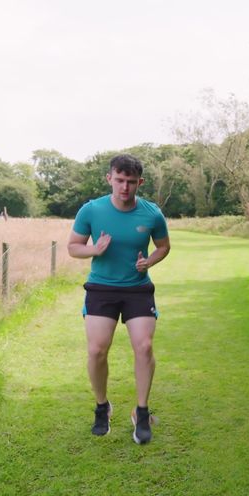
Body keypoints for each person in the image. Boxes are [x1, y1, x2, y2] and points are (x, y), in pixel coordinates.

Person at [68, 154, 170, 444]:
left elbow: (163, 246)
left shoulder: (151, 213)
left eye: (131, 182)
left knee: (145, 346)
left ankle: (141, 412)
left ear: (140, 182)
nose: (125, 187)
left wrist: (149, 261)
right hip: (101, 288)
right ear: (109, 179)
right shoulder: (91, 210)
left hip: (138, 288)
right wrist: (94, 251)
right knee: (97, 350)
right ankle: (102, 407)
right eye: (119, 180)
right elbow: (73, 247)